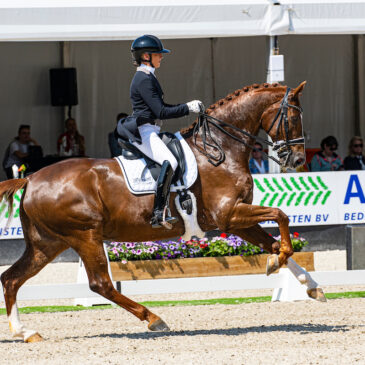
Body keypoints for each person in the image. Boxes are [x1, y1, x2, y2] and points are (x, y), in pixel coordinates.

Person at [116, 34, 204, 229]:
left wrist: (186, 106)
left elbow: (161, 106)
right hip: (144, 131)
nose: (161, 57)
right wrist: (188, 108)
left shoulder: (148, 76)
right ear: (146, 56)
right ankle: (158, 212)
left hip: (152, 129)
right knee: (170, 161)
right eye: (158, 54)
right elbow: (161, 112)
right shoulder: (143, 79)